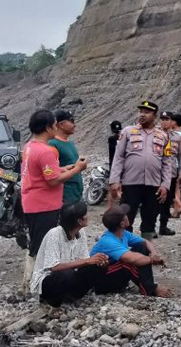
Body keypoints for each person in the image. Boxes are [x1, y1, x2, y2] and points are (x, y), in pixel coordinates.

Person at [21, 109, 88, 289]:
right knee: (43, 246)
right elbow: (53, 180)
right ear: (49, 127)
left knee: (36, 242)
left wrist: (68, 167)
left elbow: (46, 172)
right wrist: (78, 169)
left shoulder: (29, 146)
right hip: (44, 205)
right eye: (53, 124)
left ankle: (30, 282)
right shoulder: (46, 151)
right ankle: (40, 287)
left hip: (32, 202)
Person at [109, 101, 171, 241]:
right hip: (131, 183)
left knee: (150, 218)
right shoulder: (128, 132)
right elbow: (118, 157)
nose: (142, 114)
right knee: (126, 217)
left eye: (147, 112)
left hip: (153, 184)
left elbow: (167, 162)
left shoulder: (163, 136)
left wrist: (165, 184)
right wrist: (114, 180)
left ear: (154, 116)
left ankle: (145, 249)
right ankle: (124, 249)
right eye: (141, 111)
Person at [30, 201, 109, 307]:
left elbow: (83, 261)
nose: (88, 216)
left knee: (98, 264)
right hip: (48, 281)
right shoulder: (54, 234)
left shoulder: (80, 233)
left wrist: (98, 261)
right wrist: (87, 261)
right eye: (85, 215)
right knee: (66, 273)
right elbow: (54, 267)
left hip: (69, 276)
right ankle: (51, 301)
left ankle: (72, 295)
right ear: (79, 221)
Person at [90, 204, 172, 298]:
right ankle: (150, 289)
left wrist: (154, 254)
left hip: (112, 273)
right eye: (125, 215)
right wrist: (152, 260)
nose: (128, 216)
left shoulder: (123, 233)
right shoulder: (108, 241)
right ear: (122, 223)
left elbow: (145, 242)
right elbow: (132, 259)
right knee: (128, 263)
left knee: (141, 247)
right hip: (100, 281)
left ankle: (149, 286)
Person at [157, 111, 181, 236]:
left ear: (171, 121)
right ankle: (149, 227)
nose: (164, 121)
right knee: (153, 201)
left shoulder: (177, 137)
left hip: (171, 174)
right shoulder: (155, 135)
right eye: (162, 118)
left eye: (167, 119)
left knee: (167, 201)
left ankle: (163, 226)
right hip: (155, 174)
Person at [49, 110, 84, 205]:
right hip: (64, 197)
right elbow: (52, 172)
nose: (74, 124)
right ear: (61, 124)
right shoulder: (53, 144)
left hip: (76, 193)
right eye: (71, 121)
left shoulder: (70, 142)